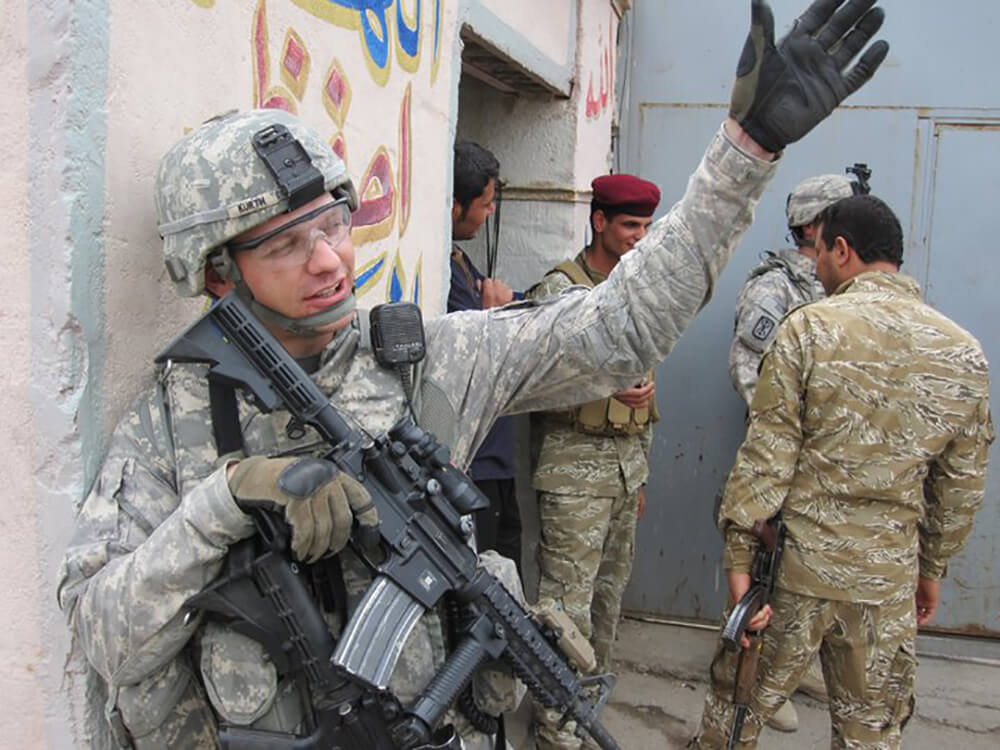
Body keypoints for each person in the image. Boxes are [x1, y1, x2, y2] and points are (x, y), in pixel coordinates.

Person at [55, 1, 890, 746]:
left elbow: (623, 324)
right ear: (216, 274)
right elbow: (107, 638)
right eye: (283, 245)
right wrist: (224, 503)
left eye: (334, 224)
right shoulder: (178, 414)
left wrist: (745, 152)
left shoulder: (430, 360)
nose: (328, 260)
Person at [691, 194, 993, 749]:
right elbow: (961, 484)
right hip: (887, 581)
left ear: (842, 250)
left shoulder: (808, 330)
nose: (816, 267)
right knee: (869, 736)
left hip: (793, 575)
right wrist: (932, 568)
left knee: (735, 721)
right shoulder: (963, 353)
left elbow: (767, 457)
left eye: (821, 254)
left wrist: (737, 556)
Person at [727, 170, 864, 732]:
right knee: (764, 565)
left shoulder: (843, 284)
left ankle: (793, 660)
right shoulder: (775, 287)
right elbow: (746, 370)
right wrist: (796, 429)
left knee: (807, 567)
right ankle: (749, 676)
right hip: (784, 458)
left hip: (827, 464)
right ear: (814, 226)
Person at [526, 173, 660, 749]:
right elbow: (538, 379)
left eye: (647, 227)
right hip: (574, 470)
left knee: (606, 604)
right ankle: (555, 731)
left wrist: (641, 473)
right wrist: (607, 387)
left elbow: (648, 381)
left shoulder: (639, 288)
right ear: (600, 221)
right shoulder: (560, 289)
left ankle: (584, 710)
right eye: (631, 225)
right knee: (565, 609)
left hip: (625, 470)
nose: (640, 236)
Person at [448, 140, 523, 573]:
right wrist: (494, 315)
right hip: (472, 464)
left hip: (494, 458)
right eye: (486, 203)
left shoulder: (459, 260)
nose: (489, 212)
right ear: (456, 203)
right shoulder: (444, 273)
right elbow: (462, 354)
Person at [729, 172, 860, 407]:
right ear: (809, 226)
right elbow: (748, 371)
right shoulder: (776, 286)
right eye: (842, 216)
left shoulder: (850, 284)